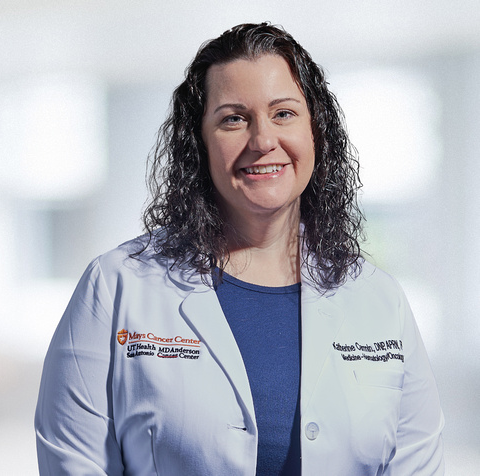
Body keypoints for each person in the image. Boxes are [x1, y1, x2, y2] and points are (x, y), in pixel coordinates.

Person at [34, 23, 444, 475]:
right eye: (233, 118)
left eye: (284, 113)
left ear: (316, 132)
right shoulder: (116, 287)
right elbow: (74, 464)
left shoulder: (379, 299)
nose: (263, 140)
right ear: (199, 143)